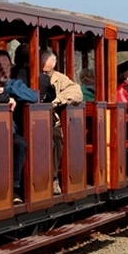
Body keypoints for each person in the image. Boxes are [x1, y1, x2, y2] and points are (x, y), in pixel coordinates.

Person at [38, 50, 83, 195]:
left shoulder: (60, 78)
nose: (44, 75)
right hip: (33, 118)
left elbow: (77, 93)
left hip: (51, 120)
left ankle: (53, 177)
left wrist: (57, 100)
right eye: (42, 72)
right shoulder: (30, 74)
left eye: (47, 72)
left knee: (57, 137)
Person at [0, 49, 37, 203]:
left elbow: (33, 96)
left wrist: (7, 90)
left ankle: (13, 189)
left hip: (8, 131)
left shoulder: (14, 83)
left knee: (19, 144)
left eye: (6, 66)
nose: (3, 70)